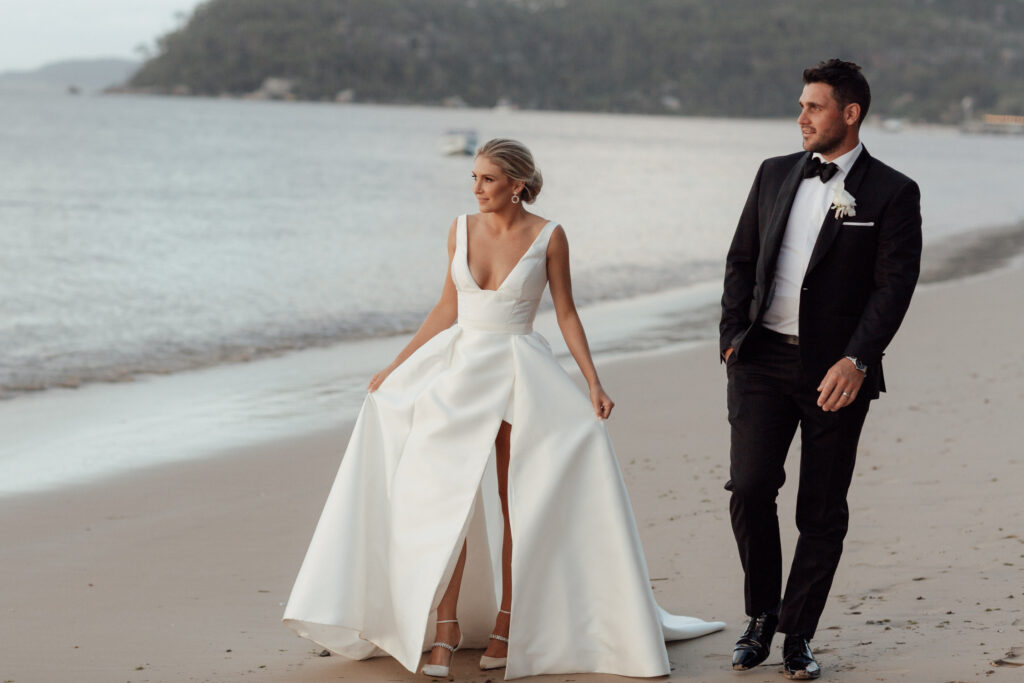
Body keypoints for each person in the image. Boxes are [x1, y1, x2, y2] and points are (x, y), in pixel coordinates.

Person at [283, 138, 724, 679]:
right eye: (473, 178)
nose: (476, 188)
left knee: (519, 502)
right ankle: (445, 628)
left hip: (519, 374)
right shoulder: (459, 228)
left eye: (487, 179)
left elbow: (566, 313)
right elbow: (446, 307)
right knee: (445, 502)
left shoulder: (550, 236)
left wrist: (593, 381)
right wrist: (397, 364)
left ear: (517, 184)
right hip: (458, 373)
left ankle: (508, 622)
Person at [719, 59, 922, 679]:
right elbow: (741, 258)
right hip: (760, 360)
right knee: (750, 488)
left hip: (836, 373)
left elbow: (894, 287)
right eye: (802, 105)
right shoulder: (774, 172)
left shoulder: (893, 191)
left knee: (821, 509)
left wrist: (858, 359)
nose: (801, 116)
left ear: (850, 113)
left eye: (814, 106)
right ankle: (761, 615)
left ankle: (798, 633)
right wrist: (731, 338)